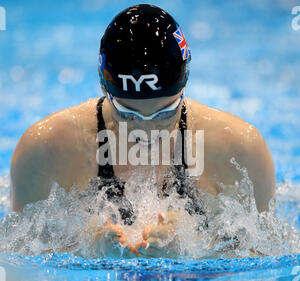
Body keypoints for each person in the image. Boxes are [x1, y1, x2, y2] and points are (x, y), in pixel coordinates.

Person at [10, 4, 276, 256]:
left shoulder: (239, 149)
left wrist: (193, 255)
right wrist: (86, 250)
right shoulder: (45, 151)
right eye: (128, 114)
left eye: (165, 113)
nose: (146, 130)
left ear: (185, 86)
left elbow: (266, 260)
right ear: (104, 88)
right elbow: (19, 262)